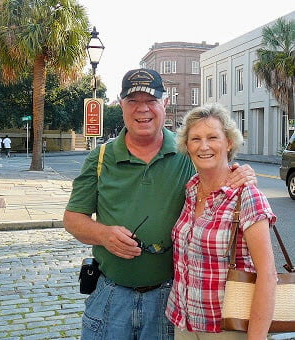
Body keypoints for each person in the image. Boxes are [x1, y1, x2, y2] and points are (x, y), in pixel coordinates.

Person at [63, 69, 256, 340]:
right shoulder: (100, 157)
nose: (143, 109)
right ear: (121, 105)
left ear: (164, 104)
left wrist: (239, 172)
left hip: (170, 299)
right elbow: (72, 218)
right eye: (133, 101)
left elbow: (219, 171)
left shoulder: (187, 153)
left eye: (151, 101)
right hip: (110, 296)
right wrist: (104, 235)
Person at [165, 103, 277, 340]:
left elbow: (267, 275)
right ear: (187, 146)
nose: (203, 146)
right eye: (195, 139)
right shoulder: (192, 191)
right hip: (183, 323)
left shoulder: (247, 196)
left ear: (228, 142)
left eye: (212, 137)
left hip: (226, 329)